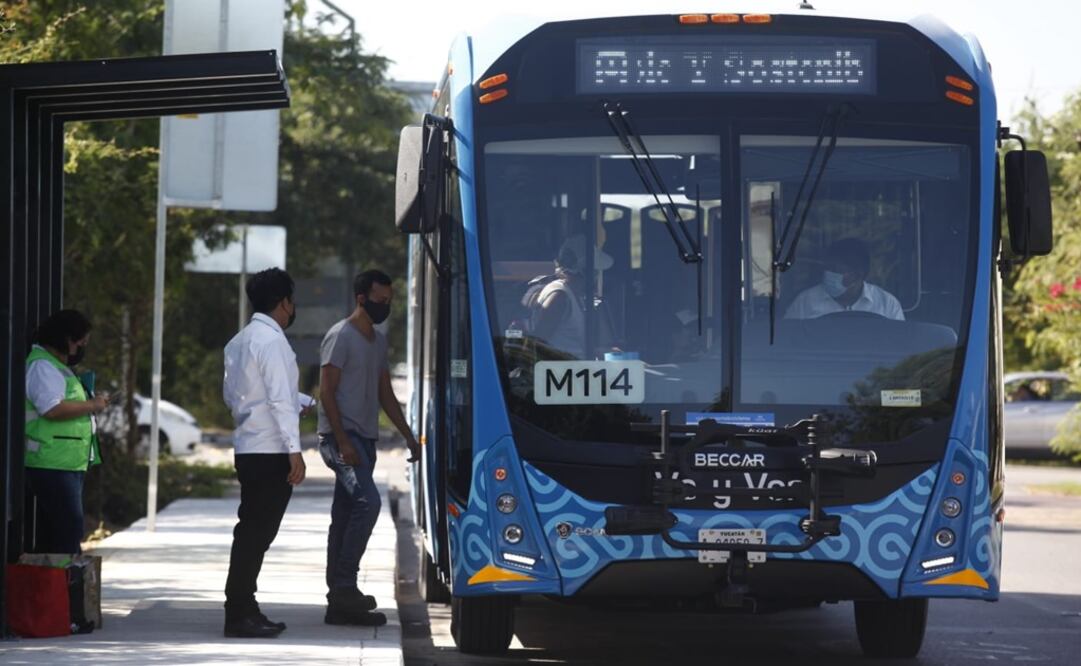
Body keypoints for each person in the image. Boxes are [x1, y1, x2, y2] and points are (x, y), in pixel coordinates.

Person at [317, 269, 420, 626]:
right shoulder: (339, 336)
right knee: (368, 502)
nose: (385, 306)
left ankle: (339, 602)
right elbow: (326, 391)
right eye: (380, 300)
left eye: (389, 301)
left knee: (344, 515)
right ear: (361, 298)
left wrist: (408, 434)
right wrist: (342, 440)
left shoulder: (377, 341)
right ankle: (345, 586)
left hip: (366, 441)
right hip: (340, 440)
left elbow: (385, 393)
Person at [221, 267, 306, 639]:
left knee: (251, 532)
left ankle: (244, 607)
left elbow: (238, 397)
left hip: (248, 445)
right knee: (257, 534)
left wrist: (303, 401)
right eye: (292, 300)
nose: (292, 308)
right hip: (270, 450)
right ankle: (239, 612)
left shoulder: (239, 341)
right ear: (283, 302)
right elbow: (276, 400)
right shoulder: (272, 342)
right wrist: (295, 450)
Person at [24, 309, 109, 554]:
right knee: (67, 532)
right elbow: (51, 408)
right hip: (50, 462)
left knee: (62, 531)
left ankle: (58, 585)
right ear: (63, 337)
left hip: (64, 462)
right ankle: (64, 584)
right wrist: (92, 405)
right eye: (78, 341)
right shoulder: (42, 366)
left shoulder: (57, 367)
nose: (81, 346)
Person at [527, 234, 614, 358]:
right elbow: (538, 342)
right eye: (595, 271)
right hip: (559, 373)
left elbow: (572, 344)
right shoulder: (559, 297)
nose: (596, 276)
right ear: (584, 270)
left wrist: (602, 351)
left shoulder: (575, 296)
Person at [784, 238, 905, 321]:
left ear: (859, 274)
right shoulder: (805, 302)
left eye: (837, 270)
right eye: (828, 268)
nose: (830, 274)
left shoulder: (887, 304)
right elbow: (788, 340)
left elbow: (900, 344)